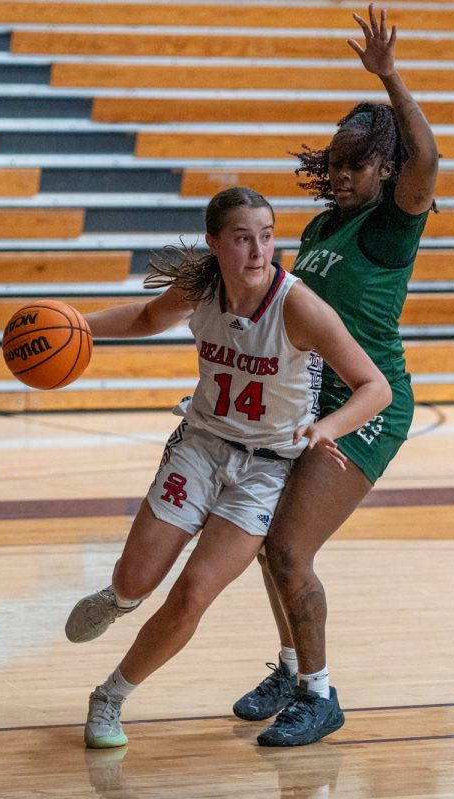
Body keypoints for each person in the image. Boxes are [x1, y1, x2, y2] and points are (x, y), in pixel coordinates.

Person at [67, 186, 392, 749]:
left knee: (192, 593)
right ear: (216, 243)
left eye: (266, 237)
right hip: (200, 447)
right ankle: (119, 598)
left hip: (266, 470)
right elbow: (146, 316)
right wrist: (75, 325)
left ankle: (110, 697)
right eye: (243, 239)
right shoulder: (202, 287)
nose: (258, 251)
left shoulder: (299, 305)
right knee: (135, 580)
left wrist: (325, 427)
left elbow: (375, 387)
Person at [234, 3, 440, 747]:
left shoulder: (393, 221)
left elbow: (430, 163)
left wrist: (390, 79)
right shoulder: (321, 229)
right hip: (306, 397)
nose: (341, 173)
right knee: (264, 540)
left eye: (357, 163)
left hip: (368, 403)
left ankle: (321, 696)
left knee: (290, 547)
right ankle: (292, 669)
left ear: (386, 168)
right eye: (337, 161)